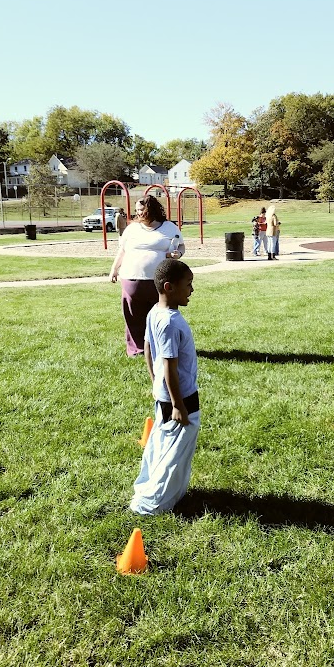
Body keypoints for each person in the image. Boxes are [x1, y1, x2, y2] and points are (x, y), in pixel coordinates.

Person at [130, 259, 200, 515]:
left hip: (165, 395)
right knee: (173, 455)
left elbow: (148, 348)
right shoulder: (170, 322)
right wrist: (179, 405)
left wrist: (153, 380)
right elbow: (170, 366)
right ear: (169, 287)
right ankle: (152, 503)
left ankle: (160, 492)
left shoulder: (154, 312)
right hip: (181, 400)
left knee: (161, 446)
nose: (192, 290)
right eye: (188, 285)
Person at [108, 195, 185, 357]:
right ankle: (137, 349)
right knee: (133, 315)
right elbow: (122, 250)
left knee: (161, 315)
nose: (139, 213)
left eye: (142, 209)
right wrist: (114, 269)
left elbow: (181, 246)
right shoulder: (132, 229)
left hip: (160, 281)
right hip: (131, 278)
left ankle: (163, 346)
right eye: (137, 210)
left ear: (151, 209)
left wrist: (178, 254)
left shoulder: (169, 227)